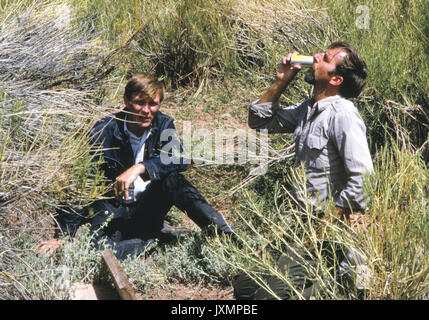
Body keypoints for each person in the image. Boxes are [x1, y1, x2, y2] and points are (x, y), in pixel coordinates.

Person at [37, 73, 235, 260]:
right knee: (101, 253)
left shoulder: (163, 124)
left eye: (153, 104)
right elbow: (82, 181)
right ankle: (153, 239)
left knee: (174, 180)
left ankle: (226, 236)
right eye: (140, 103)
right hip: (112, 210)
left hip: (147, 206)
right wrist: (63, 235)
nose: (146, 111)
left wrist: (141, 167)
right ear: (126, 101)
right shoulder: (105, 130)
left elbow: (179, 158)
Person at [233, 41, 374, 299]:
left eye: (326, 58)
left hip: (327, 230)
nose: (316, 56)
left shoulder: (343, 115)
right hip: (301, 224)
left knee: (266, 297)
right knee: (243, 287)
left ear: (336, 79)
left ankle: (336, 289)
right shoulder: (308, 109)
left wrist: (322, 229)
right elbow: (260, 120)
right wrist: (281, 80)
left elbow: (363, 183)